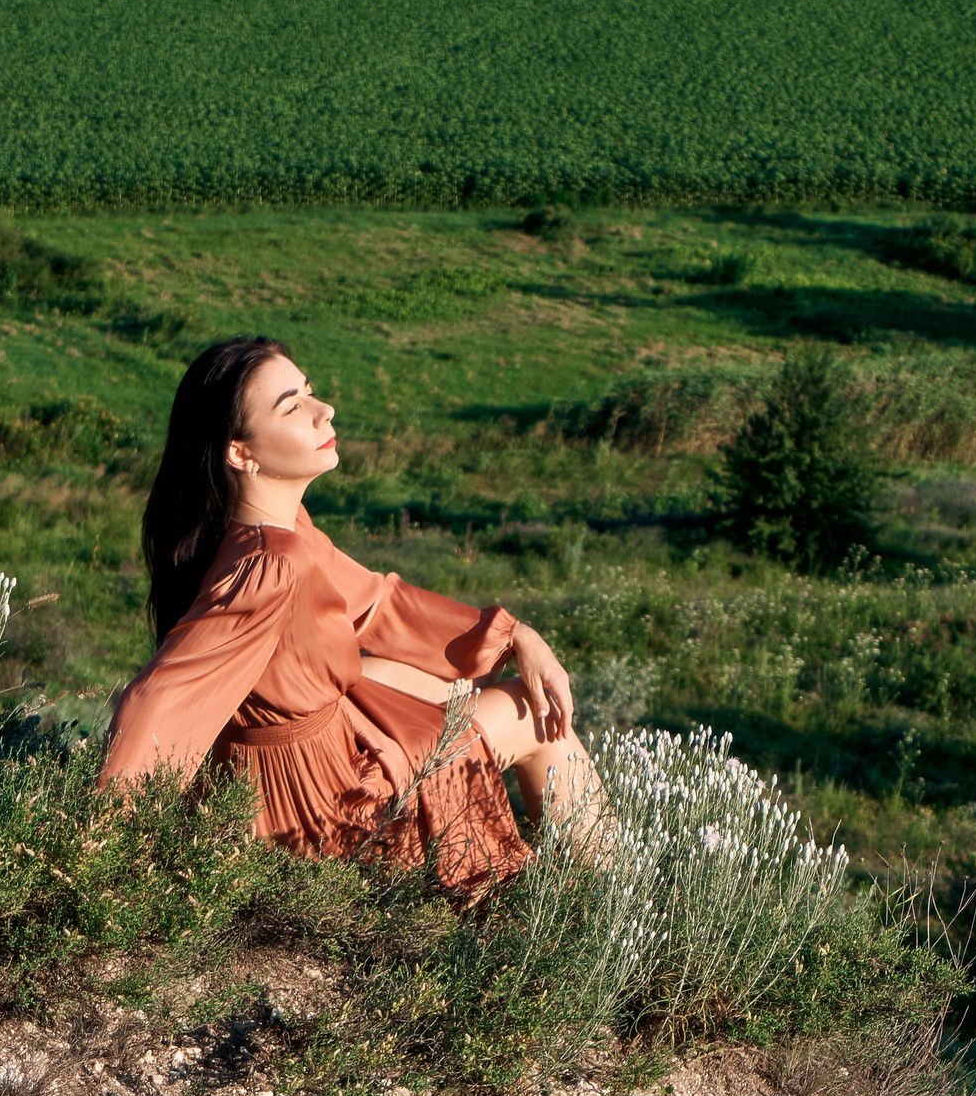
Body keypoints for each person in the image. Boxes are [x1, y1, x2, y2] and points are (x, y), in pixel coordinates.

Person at [98, 337, 606, 893]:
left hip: (300, 765)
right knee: (537, 715)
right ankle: (623, 908)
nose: (324, 411)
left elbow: (377, 604)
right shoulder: (273, 561)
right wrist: (99, 844)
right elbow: (160, 697)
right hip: (324, 814)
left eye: (310, 393)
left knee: (418, 682)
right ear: (241, 454)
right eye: (291, 407)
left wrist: (514, 636)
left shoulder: (283, 531)